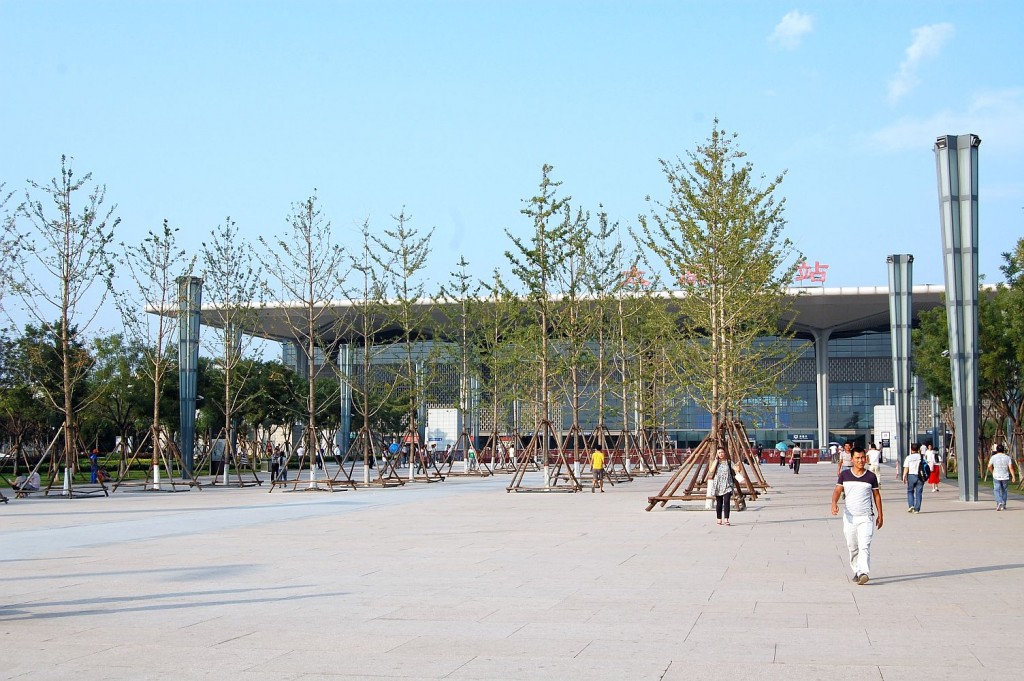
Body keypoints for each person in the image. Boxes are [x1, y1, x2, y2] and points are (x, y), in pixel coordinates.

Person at [831, 446, 883, 585]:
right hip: (849, 518)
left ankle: (863, 572)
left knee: (864, 546)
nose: (860, 460)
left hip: (866, 517)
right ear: (852, 459)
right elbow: (837, 490)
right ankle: (856, 569)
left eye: (862, 458)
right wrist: (834, 503)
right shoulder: (845, 475)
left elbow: (877, 495)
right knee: (852, 546)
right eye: (857, 458)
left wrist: (880, 515)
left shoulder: (870, 476)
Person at [707, 447, 737, 525]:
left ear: (725, 453)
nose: (721, 454)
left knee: (727, 501)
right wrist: (716, 460)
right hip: (718, 485)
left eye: (722, 452)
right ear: (717, 454)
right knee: (719, 503)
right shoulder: (716, 462)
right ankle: (719, 519)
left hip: (727, 484)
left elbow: (736, 469)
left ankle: (726, 519)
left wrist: (738, 466)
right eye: (719, 453)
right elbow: (711, 470)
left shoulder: (729, 462)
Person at [987, 443, 1017, 511]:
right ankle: (1003, 504)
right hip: (1005, 476)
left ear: (997, 450)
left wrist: (992, 472)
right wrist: (1013, 476)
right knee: (1004, 490)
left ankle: (999, 502)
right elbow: (1011, 468)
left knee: (996, 490)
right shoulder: (1007, 457)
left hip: (996, 476)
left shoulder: (993, 457)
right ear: (1003, 450)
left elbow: (989, 466)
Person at [902, 442, 926, 513]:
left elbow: (906, 468)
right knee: (919, 493)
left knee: (910, 491)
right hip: (920, 476)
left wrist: (904, 476)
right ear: (918, 449)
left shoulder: (908, 457)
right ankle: (917, 509)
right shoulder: (921, 457)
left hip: (911, 475)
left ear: (911, 449)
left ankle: (911, 505)